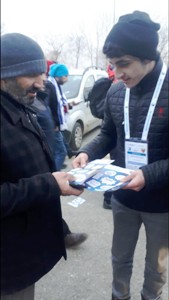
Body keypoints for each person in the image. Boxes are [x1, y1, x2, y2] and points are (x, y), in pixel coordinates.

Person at [72, 11, 169, 300]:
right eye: (113, 65)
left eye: (123, 64)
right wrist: (86, 153)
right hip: (123, 197)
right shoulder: (116, 93)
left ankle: (151, 297)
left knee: (157, 266)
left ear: (147, 58)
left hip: (162, 203)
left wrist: (148, 175)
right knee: (120, 258)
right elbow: (107, 136)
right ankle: (120, 296)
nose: (117, 73)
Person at [0, 32, 84, 299]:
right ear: (4, 76)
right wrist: (49, 184)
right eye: (31, 74)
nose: (41, 83)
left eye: (42, 73)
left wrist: (55, 179)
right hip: (8, 267)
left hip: (24, 250)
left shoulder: (19, 102)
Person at [33, 90, 88, 248]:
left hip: (45, 153)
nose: (41, 81)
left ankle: (62, 234)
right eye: (31, 74)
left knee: (46, 202)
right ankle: (63, 234)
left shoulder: (36, 97)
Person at [46, 63, 76, 169]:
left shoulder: (55, 85)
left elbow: (58, 104)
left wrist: (69, 105)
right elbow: (49, 107)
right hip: (53, 126)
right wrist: (55, 124)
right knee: (61, 152)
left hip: (54, 124)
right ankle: (54, 176)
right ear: (59, 75)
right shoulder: (49, 86)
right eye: (65, 76)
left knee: (58, 150)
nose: (66, 79)